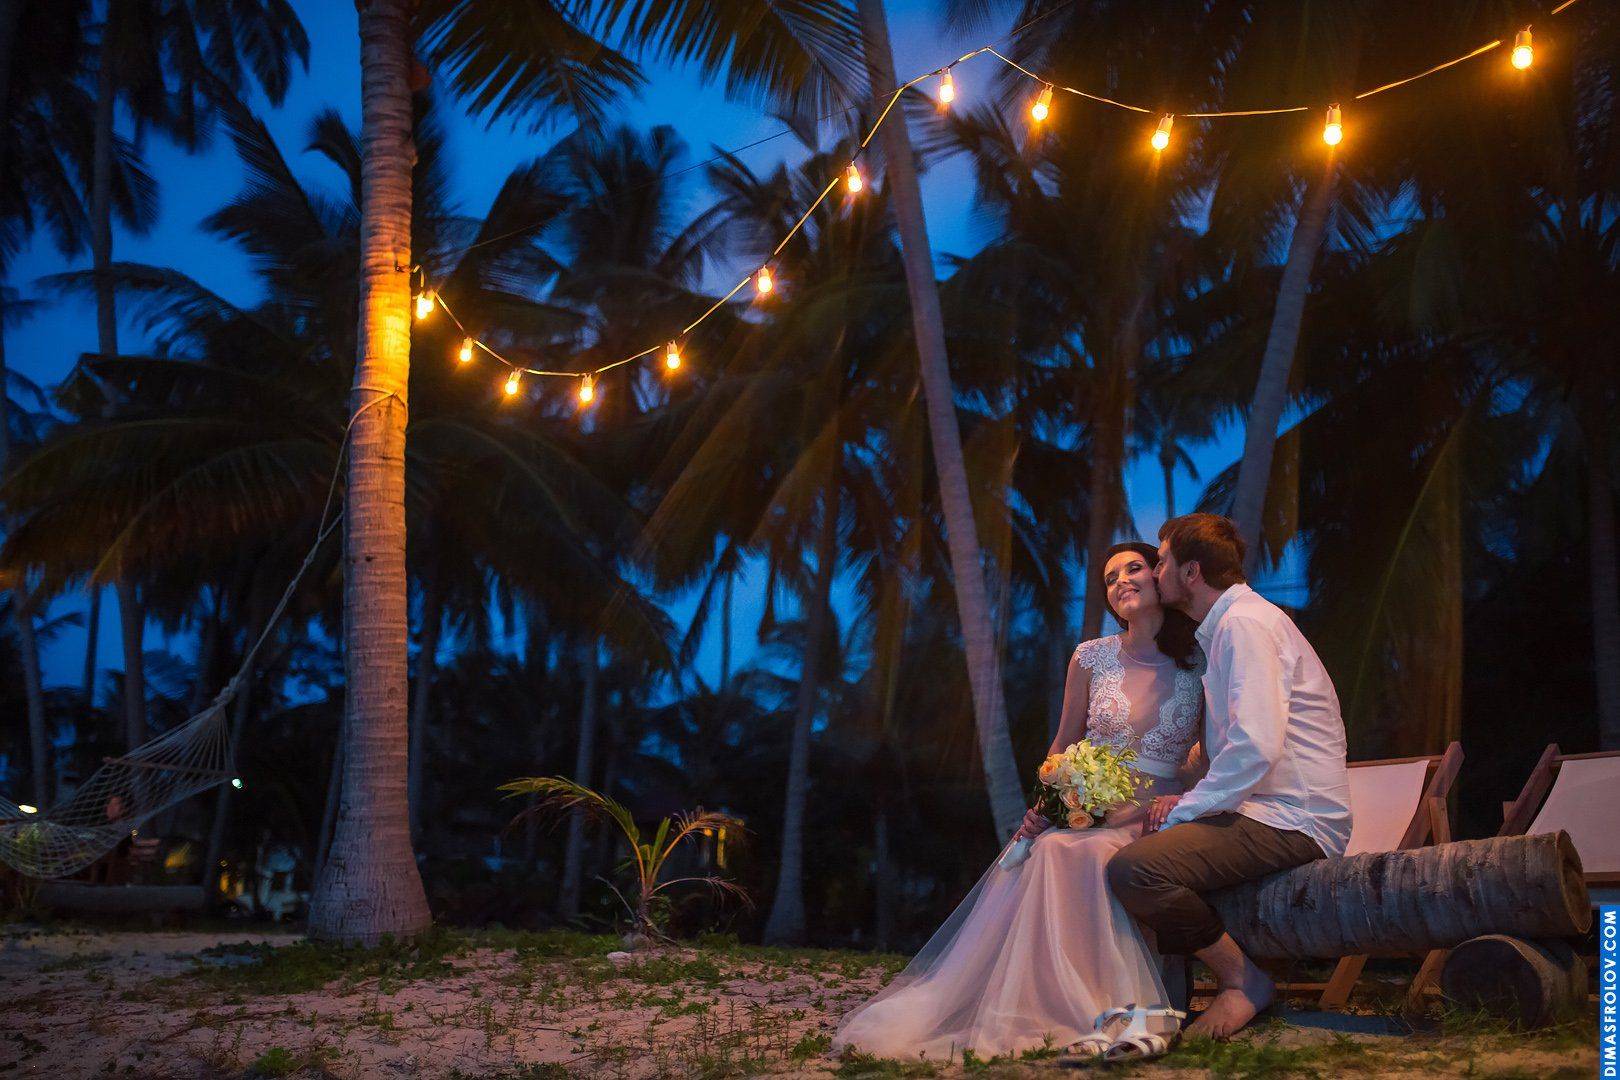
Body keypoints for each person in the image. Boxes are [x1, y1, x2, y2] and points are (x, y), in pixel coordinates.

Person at [834, 542, 1206, 1061]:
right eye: (1109, 577)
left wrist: (1183, 798)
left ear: (1161, 577)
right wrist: (1050, 804)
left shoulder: (1199, 659)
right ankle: (1067, 1005)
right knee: (1053, 848)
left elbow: (1208, 753)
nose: (1121, 580)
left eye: (1133, 568)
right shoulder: (1091, 656)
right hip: (1091, 806)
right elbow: (1064, 742)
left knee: (1083, 853)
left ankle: (1113, 1006)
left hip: (1160, 812)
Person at [1106, 513, 1353, 1040]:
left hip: (1294, 818)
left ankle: (1243, 981)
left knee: (1136, 869)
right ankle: (1166, 1001)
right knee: (1150, 845)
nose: (1155, 571)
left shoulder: (1245, 625)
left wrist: (1188, 805)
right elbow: (1232, 744)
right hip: (1265, 809)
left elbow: (1256, 747)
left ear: (1191, 572)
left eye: (1162, 561)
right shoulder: (1225, 630)